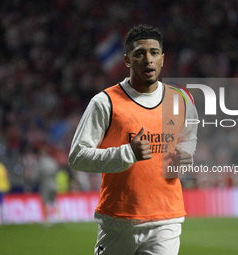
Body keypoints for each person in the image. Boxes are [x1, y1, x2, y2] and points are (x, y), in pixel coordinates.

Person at [69, 24, 198, 255]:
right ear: (128, 60)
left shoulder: (181, 99)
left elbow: (188, 136)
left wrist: (185, 154)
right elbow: (77, 156)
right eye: (140, 53)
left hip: (166, 219)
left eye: (154, 53)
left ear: (162, 59)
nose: (148, 59)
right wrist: (127, 153)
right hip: (119, 220)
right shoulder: (105, 102)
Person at [36, 146, 60, 225]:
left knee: (45, 202)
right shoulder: (52, 160)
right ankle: (58, 218)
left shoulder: (41, 162)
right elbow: (56, 170)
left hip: (45, 184)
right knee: (53, 201)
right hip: (53, 183)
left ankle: (47, 220)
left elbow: (37, 174)